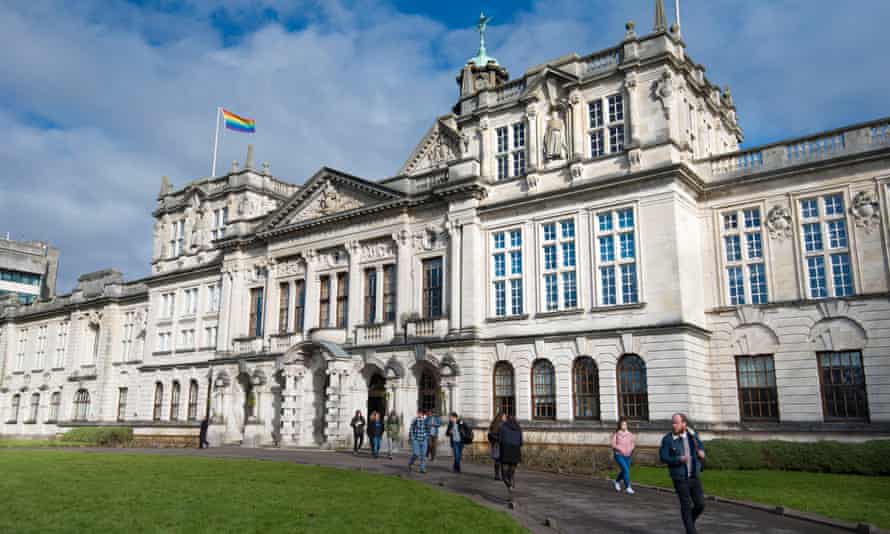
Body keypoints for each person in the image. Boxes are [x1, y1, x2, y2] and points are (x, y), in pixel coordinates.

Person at [660, 413, 706, 534]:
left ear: (684, 424)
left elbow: (700, 445)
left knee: (700, 504)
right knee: (686, 505)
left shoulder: (692, 435)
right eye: (672, 423)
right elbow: (663, 457)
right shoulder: (668, 439)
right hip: (679, 477)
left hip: (694, 475)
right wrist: (678, 459)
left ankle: (689, 522)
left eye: (676, 423)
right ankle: (690, 530)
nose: (673, 425)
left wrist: (701, 452)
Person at [498, 415, 522, 494]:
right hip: (516, 451)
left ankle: (510, 487)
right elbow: (521, 442)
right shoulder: (518, 428)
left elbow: (499, 440)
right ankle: (511, 491)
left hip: (505, 451)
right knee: (512, 474)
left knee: (504, 475)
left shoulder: (502, 427)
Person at [611, 417, 636, 494]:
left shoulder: (630, 434)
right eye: (622, 425)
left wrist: (631, 449)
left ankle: (617, 481)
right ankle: (628, 487)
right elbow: (613, 444)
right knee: (626, 470)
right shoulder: (616, 434)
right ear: (620, 426)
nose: (624, 426)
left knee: (624, 470)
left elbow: (633, 443)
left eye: (625, 424)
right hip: (619, 455)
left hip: (628, 455)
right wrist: (620, 449)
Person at [407, 409, 429, 473]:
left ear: (422, 414)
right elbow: (411, 429)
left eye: (420, 413)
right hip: (416, 440)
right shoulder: (415, 420)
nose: (419, 414)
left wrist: (427, 437)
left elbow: (428, 429)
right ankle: (410, 463)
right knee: (416, 454)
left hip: (424, 440)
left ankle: (422, 468)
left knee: (423, 455)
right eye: (418, 413)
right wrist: (412, 438)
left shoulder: (426, 420)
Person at [487, 412, 505, 480]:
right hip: (499, 444)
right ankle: (501, 475)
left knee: (498, 460)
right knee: (501, 460)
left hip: (496, 444)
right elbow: (490, 435)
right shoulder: (501, 425)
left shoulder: (494, 424)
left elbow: (489, 435)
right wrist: (498, 439)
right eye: (504, 416)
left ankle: (497, 475)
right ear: (500, 417)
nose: (505, 418)